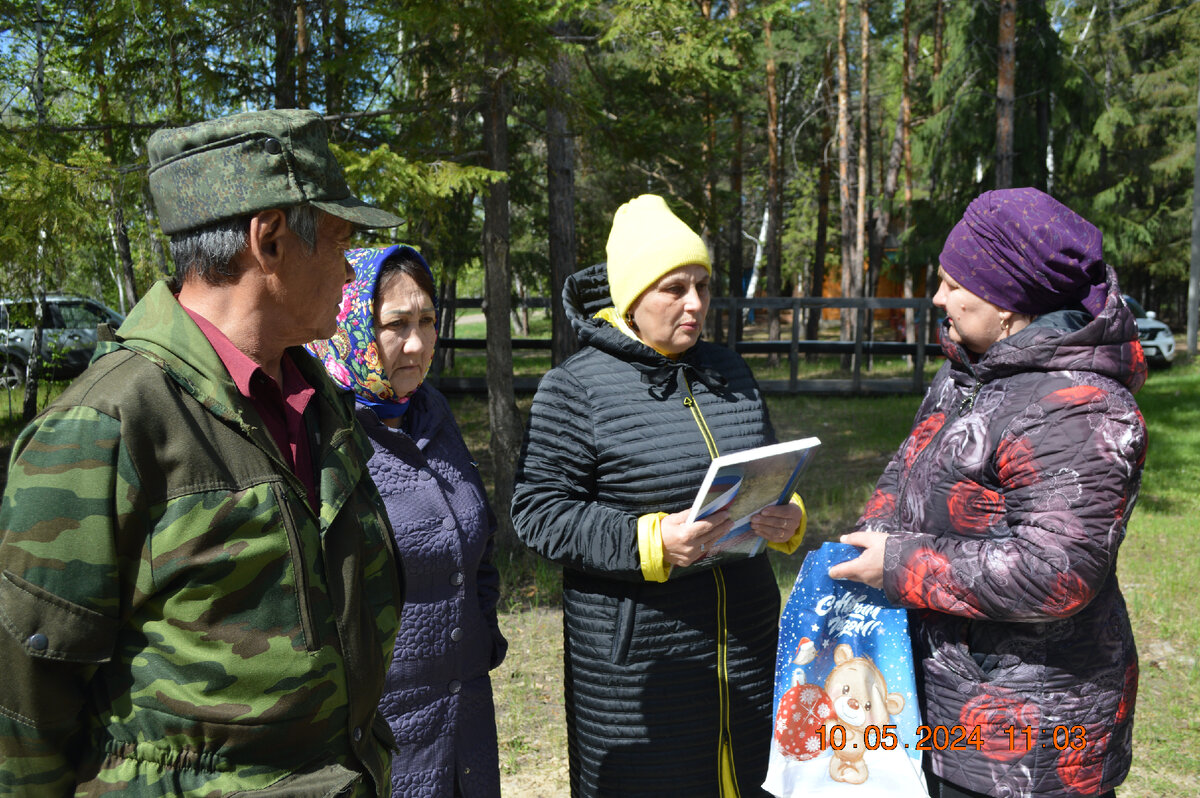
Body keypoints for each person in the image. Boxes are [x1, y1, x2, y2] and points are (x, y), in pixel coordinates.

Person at [0, 109, 407, 797]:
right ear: (270, 239)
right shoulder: (107, 424)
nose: (348, 269)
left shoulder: (313, 400)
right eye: (338, 240)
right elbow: (24, 711)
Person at [829, 187, 1146, 798]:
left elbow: (1054, 573)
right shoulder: (970, 370)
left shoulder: (1076, 410)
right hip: (948, 701)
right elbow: (909, 468)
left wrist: (897, 563)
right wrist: (873, 532)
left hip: (1030, 736)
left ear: (1008, 302)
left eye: (953, 283)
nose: (937, 297)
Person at [511, 194, 807, 798]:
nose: (695, 303)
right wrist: (651, 541)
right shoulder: (574, 388)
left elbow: (767, 466)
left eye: (701, 284)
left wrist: (786, 515)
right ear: (631, 297)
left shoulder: (730, 371)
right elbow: (538, 512)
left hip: (746, 650)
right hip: (640, 668)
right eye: (675, 288)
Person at [307, 245, 508, 797]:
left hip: (464, 721)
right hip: (379, 738)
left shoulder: (433, 414)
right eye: (396, 325)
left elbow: (479, 542)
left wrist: (481, 640)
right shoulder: (320, 433)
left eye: (427, 322)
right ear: (350, 322)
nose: (417, 344)